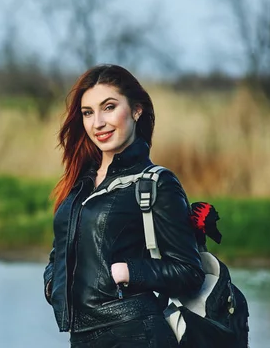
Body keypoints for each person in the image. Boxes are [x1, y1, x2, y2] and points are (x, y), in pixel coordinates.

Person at [43, 64, 205, 347]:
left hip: (135, 334)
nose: (98, 123)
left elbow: (189, 272)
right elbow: (60, 251)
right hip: (81, 337)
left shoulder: (155, 182)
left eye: (109, 107)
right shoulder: (79, 183)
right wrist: (51, 284)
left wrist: (130, 271)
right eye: (88, 113)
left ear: (136, 110)